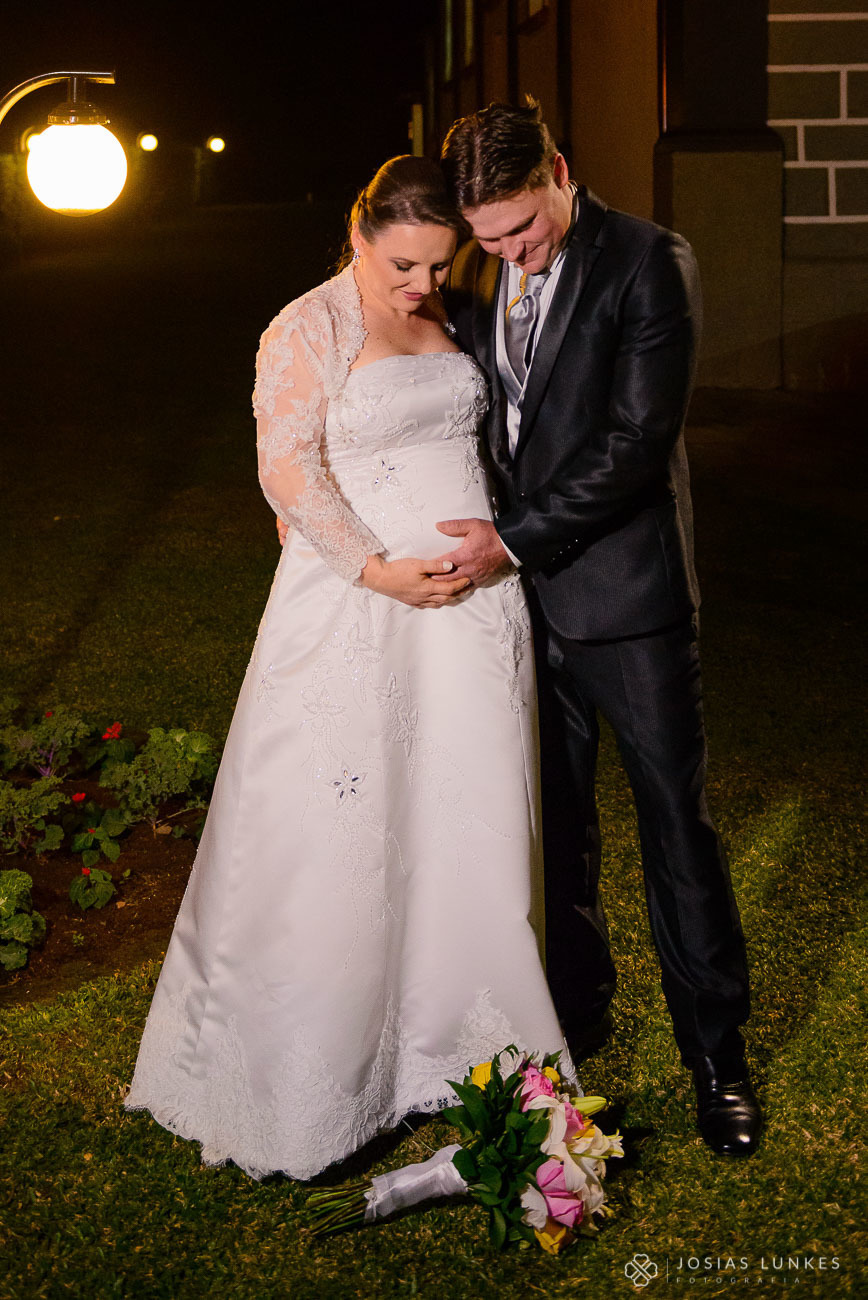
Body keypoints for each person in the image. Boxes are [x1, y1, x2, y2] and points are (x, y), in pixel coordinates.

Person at [123, 155, 574, 1181]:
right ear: (359, 232)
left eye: (437, 264)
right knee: (342, 831)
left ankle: (462, 1050)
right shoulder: (306, 325)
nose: (422, 285)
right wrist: (376, 569)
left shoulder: (452, 313)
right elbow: (285, 463)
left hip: (469, 617)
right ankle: (318, 1073)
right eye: (405, 263)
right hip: (359, 610)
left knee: (466, 821)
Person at [436, 100, 762, 1156]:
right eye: (487, 240)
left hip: (630, 607)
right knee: (556, 831)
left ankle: (718, 1059)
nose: (509, 254)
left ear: (560, 172)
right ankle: (579, 1017)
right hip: (520, 615)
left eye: (521, 230)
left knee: (676, 832)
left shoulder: (651, 263)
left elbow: (632, 444)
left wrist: (509, 541)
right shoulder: (482, 267)